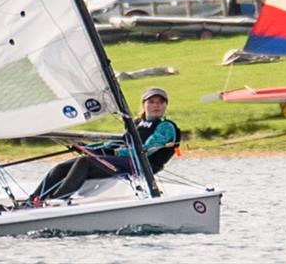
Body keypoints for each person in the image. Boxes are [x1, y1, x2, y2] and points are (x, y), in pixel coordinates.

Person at [26, 87, 180, 205]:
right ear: (144, 104)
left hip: (143, 164)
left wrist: (111, 152)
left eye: (160, 102)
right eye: (151, 102)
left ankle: (57, 200)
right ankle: (33, 201)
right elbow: (119, 142)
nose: (156, 105)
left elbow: (145, 151)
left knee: (85, 162)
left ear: (166, 105)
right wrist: (90, 148)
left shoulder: (166, 127)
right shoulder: (137, 123)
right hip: (126, 161)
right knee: (62, 167)